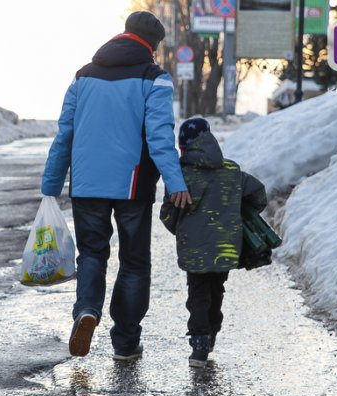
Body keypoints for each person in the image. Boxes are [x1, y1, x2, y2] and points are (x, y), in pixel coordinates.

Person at [41, 10, 192, 361]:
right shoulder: (153, 78)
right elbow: (159, 139)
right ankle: (125, 341)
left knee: (92, 253)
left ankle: (87, 311)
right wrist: (175, 182)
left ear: (123, 34)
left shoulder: (83, 77)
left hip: (87, 184)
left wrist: (51, 183)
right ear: (153, 45)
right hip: (132, 184)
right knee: (134, 262)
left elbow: (65, 134)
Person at [159, 117, 268, 368]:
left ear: (183, 147)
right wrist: (239, 214)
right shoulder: (232, 170)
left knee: (197, 293)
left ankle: (199, 343)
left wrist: (181, 228)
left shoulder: (181, 175)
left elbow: (167, 214)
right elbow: (258, 194)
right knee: (216, 289)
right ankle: (212, 332)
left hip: (194, 247)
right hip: (226, 246)